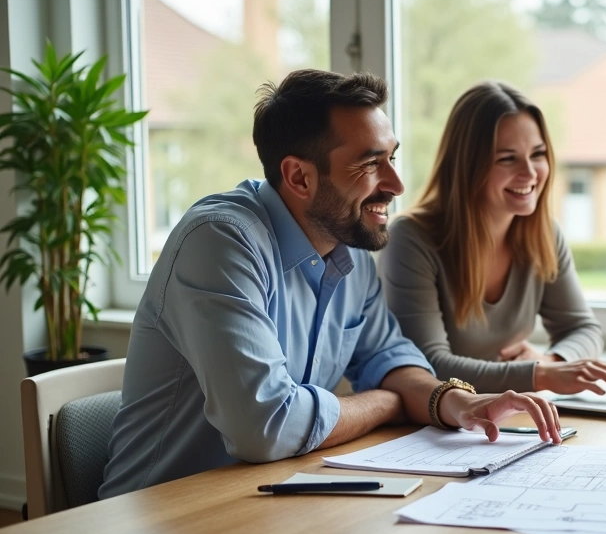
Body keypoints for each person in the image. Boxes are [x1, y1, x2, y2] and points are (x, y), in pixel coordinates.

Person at [100, 70, 564, 499]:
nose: (397, 184)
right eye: (370, 164)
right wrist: (388, 403)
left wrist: (457, 403)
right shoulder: (221, 242)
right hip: (162, 517)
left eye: (393, 158)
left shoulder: (350, 247)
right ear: (299, 176)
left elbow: (389, 358)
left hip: (268, 501)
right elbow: (267, 427)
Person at [379, 81, 606, 395]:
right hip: (434, 425)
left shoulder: (543, 233)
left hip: (507, 414)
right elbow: (429, 365)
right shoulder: (411, 239)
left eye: (538, 154)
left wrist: (551, 360)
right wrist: (539, 375)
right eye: (507, 159)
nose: (531, 173)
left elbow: (583, 329)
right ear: (467, 166)